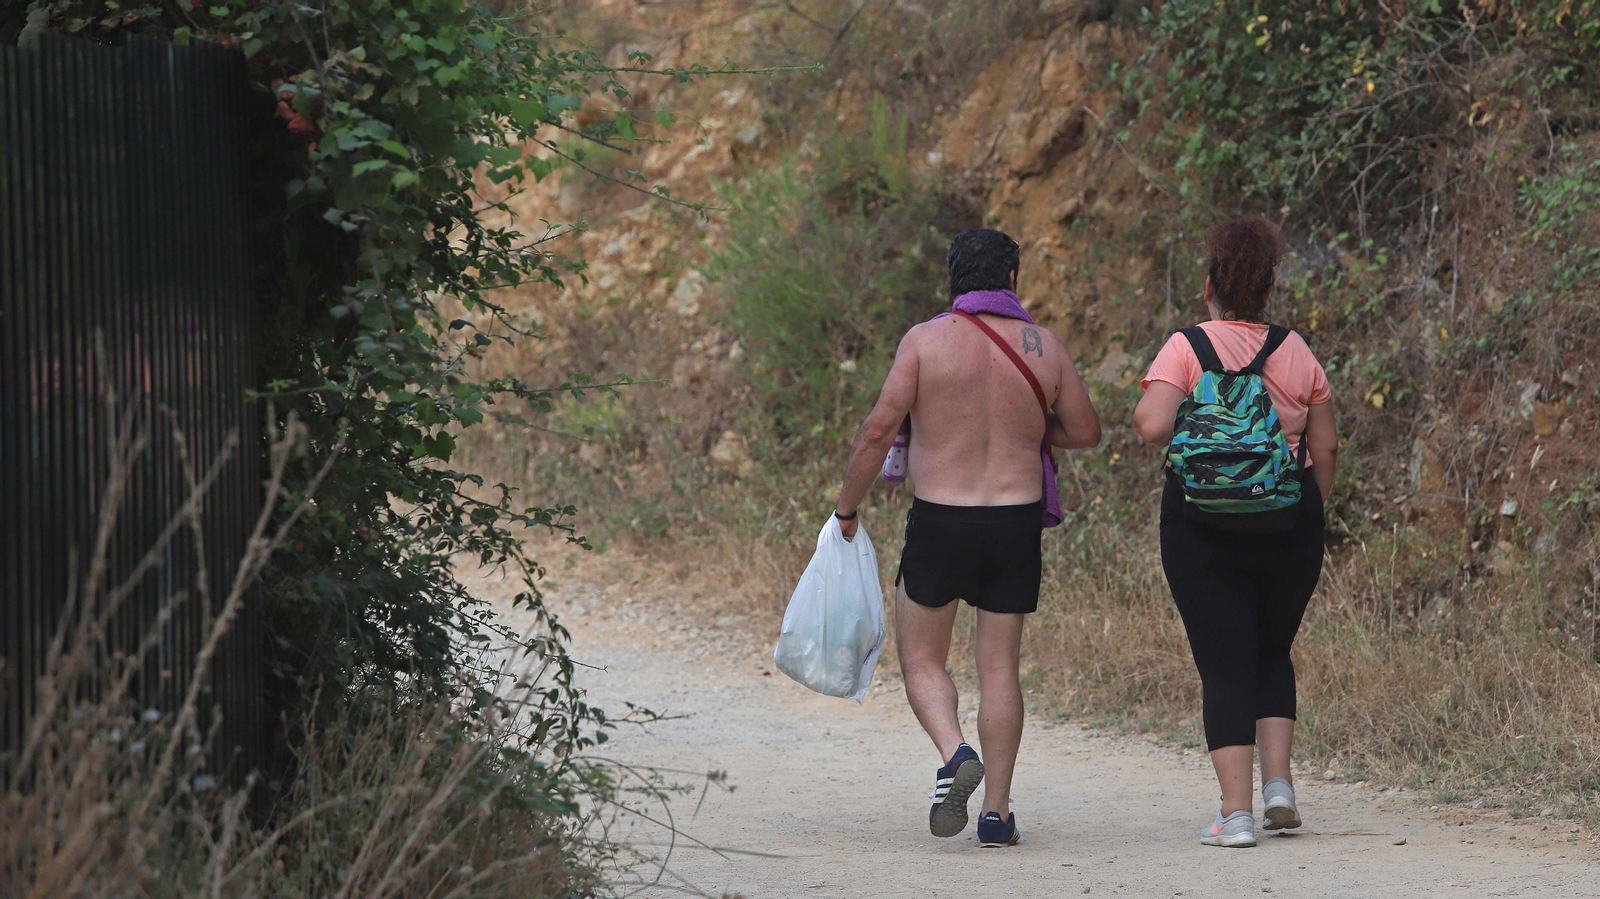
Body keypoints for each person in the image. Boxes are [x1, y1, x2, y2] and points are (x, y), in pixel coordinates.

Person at [831, 228, 1101, 848]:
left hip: (941, 521)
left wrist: (847, 508)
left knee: (921, 657)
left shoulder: (924, 343)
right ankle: (997, 815)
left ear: (952, 282)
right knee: (999, 665)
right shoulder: (1044, 346)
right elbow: (1086, 432)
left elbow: (878, 432)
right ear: (1012, 282)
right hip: (1015, 522)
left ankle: (956, 755)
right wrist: (1025, 426)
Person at [1132, 215, 1338, 848]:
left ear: (1209, 286)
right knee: (1270, 649)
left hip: (1201, 526)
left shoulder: (1186, 347)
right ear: (1269, 289)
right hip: (1289, 520)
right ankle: (1279, 787)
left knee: (1224, 661)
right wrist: (1305, 509)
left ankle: (1236, 814)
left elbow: (1150, 425)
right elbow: (1325, 448)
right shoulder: (1296, 350)